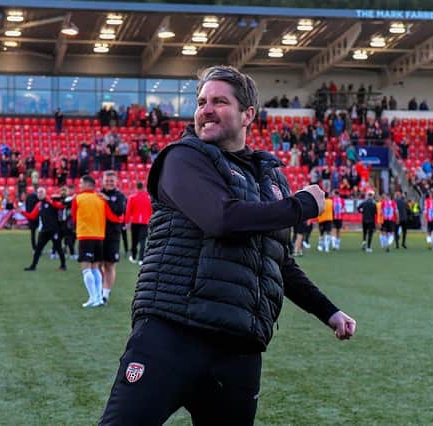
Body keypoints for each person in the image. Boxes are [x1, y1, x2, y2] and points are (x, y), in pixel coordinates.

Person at [98, 65, 356, 425]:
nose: (206, 109)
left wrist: (329, 312)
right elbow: (222, 219)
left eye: (219, 101)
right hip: (172, 333)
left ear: (248, 114)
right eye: (202, 101)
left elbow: (279, 262)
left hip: (238, 347)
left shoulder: (270, 178)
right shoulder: (183, 158)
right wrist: (301, 206)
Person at [72, 175, 122, 308]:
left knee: (86, 268)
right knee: (96, 268)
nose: (80, 186)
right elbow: (113, 217)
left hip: (85, 236)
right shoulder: (101, 199)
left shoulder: (78, 198)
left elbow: (73, 217)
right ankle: (99, 298)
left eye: (81, 184)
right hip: (100, 237)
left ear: (88, 185)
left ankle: (93, 297)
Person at [18, 187, 67, 271]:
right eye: (38, 192)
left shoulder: (51, 201)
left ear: (45, 193)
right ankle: (33, 266)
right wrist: (22, 212)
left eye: (41, 192)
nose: (39, 194)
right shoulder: (39, 204)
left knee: (58, 248)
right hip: (44, 230)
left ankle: (63, 265)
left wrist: (55, 199)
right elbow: (32, 216)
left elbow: (61, 206)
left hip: (53, 230)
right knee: (38, 249)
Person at [99, 171, 127, 304]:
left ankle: (105, 294)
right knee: (97, 265)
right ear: (102, 181)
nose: (109, 183)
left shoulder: (120, 196)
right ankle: (98, 290)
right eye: (107, 181)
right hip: (97, 234)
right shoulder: (96, 195)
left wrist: (107, 200)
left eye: (111, 181)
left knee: (109, 265)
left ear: (116, 182)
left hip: (113, 235)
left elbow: (119, 211)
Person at [125, 182, 152, 265]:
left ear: (136, 187)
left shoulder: (132, 197)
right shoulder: (148, 198)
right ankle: (141, 259)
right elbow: (151, 211)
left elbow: (128, 210)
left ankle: (133, 257)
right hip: (145, 222)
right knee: (143, 241)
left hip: (135, 222)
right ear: (143, 187)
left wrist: (127, 222)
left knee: (134, 240)